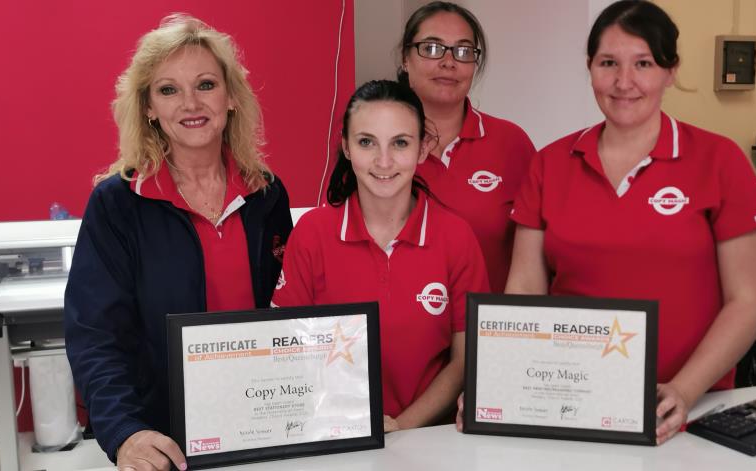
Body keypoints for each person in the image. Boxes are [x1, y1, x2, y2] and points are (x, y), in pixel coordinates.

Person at [506, 1, 756, 444]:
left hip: (692, 408)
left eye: (643, 64)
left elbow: (747, 301)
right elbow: (524, 291)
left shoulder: (719, 161)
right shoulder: (549, 164)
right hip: (572, 399)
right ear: (590, 67)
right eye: (608, 63)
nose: (623, 82)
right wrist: (504, 381)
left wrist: (683, 390)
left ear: (671, 71)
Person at [64, 14, 292, 470]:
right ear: (148, 107)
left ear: (230, 97)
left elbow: (295, 314)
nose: (191, 103)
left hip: (264, 428)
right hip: (167, 444)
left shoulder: (267, 195)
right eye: (168, 90)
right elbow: (95, 336)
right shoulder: (118, 204)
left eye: (206, 84)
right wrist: (125, 432)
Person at [272, 80, 490, 432]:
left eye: (400, 143)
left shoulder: (456, 237)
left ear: (423, 148)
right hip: (335, 435)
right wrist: (352, 426)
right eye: (366, 142)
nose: (384, 161)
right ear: (346, 146)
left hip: (431, 438)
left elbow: (464, 359)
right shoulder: (312, 234)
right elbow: (289, 351)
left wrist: (402, 426)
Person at [397, 1, 536, 292]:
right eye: (431, 48)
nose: (449, 62)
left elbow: (536, 256)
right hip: (398, 317)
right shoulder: (377, 146)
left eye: (463, 51)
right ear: (405, 59)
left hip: (488, 317)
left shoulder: (511, 143)